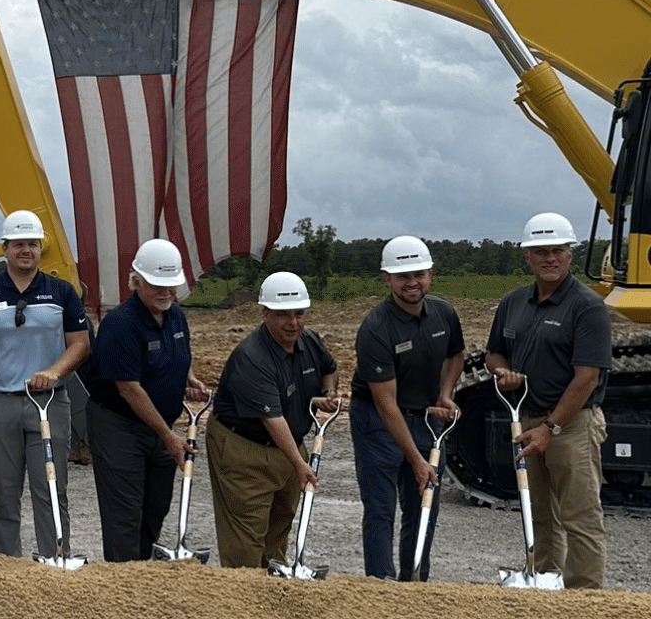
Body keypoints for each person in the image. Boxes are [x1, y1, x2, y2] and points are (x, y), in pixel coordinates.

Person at [485, 211, 611, 589]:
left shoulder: (587, 307)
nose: (549, 258)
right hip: (527, 419)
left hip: (570, 425)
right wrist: (502, 372)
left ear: (570, 254)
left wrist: (551, 428)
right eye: (540, 252)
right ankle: (544, 583)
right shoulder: (513, 303)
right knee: (540, 513)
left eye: (557, 250)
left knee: (580, 516)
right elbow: (494, 354)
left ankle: (584, 597)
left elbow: (587, 377)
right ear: (528, 257)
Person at [0, 209, 91, 557]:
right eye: (18, 244)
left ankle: (55, 559)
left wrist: (55, 372)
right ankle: (8, 564)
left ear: (40, 249)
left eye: (33, 244)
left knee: (50, 487)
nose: (26, 250)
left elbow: (80, 344)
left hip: (49, 403)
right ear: (4, 249)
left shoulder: (62, 292)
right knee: (3, 492)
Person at [206, 272, 339, 570]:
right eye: (283, 315)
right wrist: (299, 463)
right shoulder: (252, 357)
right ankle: (243, 602)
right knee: (246, 538)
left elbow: (330, 368)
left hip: (289, 446)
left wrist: (328, 392)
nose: (293, 323)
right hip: (245, 449)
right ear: (265, 313)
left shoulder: (310, 341)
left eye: (299, 314)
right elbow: (272, 418)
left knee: (280, 526)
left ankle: (274, 594)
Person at [85, 239, 208, 562]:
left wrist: (188, 379)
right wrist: (168, 437)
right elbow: (129, 389)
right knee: (125, 513)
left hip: (160, 426)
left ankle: (142, 572)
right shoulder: (120, 325)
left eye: (172, 285)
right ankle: (124, 583)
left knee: (156, 508)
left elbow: (179, 355)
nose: (167, 292)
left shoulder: (176, 316)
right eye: (158, 285)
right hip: (120, 427)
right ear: (136, 281)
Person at [350, 235, 463, 580]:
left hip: (426, 420)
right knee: (382, 509)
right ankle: (381, 585)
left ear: (430, 273)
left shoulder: (443, 313)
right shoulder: (376, 328)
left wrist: (445, 392)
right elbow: (386, 404)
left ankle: (414, 582)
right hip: (378, 421)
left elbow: (455, 354)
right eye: (402, 276)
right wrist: (416, 459)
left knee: (423, 505)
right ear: (387, 279)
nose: (412, 283)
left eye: (419, 274)